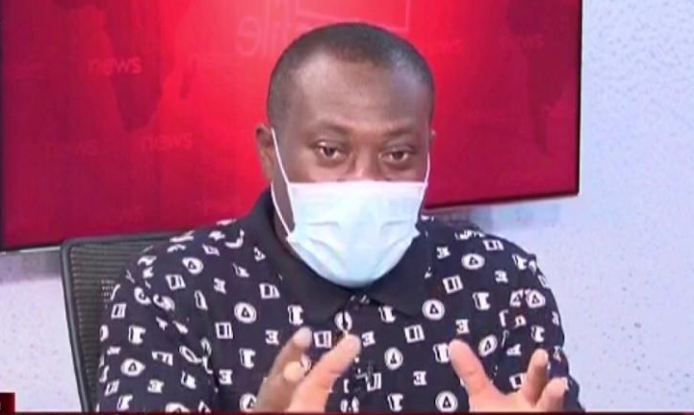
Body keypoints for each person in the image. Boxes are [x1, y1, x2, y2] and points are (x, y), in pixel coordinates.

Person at [96, 22, 582, 412]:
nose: (363, 180)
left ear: (428, 152)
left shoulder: (502, 279)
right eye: (330, 151)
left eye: (397, 154)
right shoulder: (170, 288)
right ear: (269, 152)